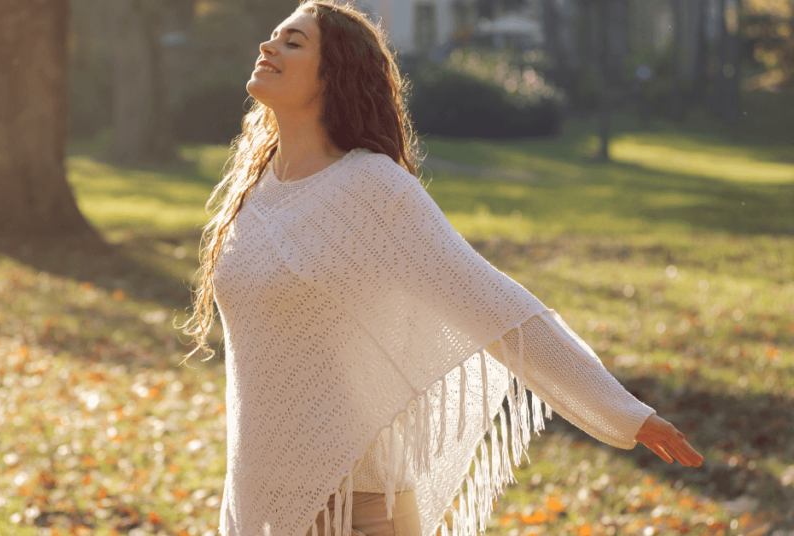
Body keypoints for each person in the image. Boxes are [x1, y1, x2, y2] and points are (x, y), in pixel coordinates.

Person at [182, 2, 704, 536]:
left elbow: (493, 303)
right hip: (257, 500)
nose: (268, 47)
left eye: (293, 42)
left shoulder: (371, 187)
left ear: (335, 72)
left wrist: (621, 411)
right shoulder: (253, 190)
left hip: (358, 507)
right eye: (272, 37)